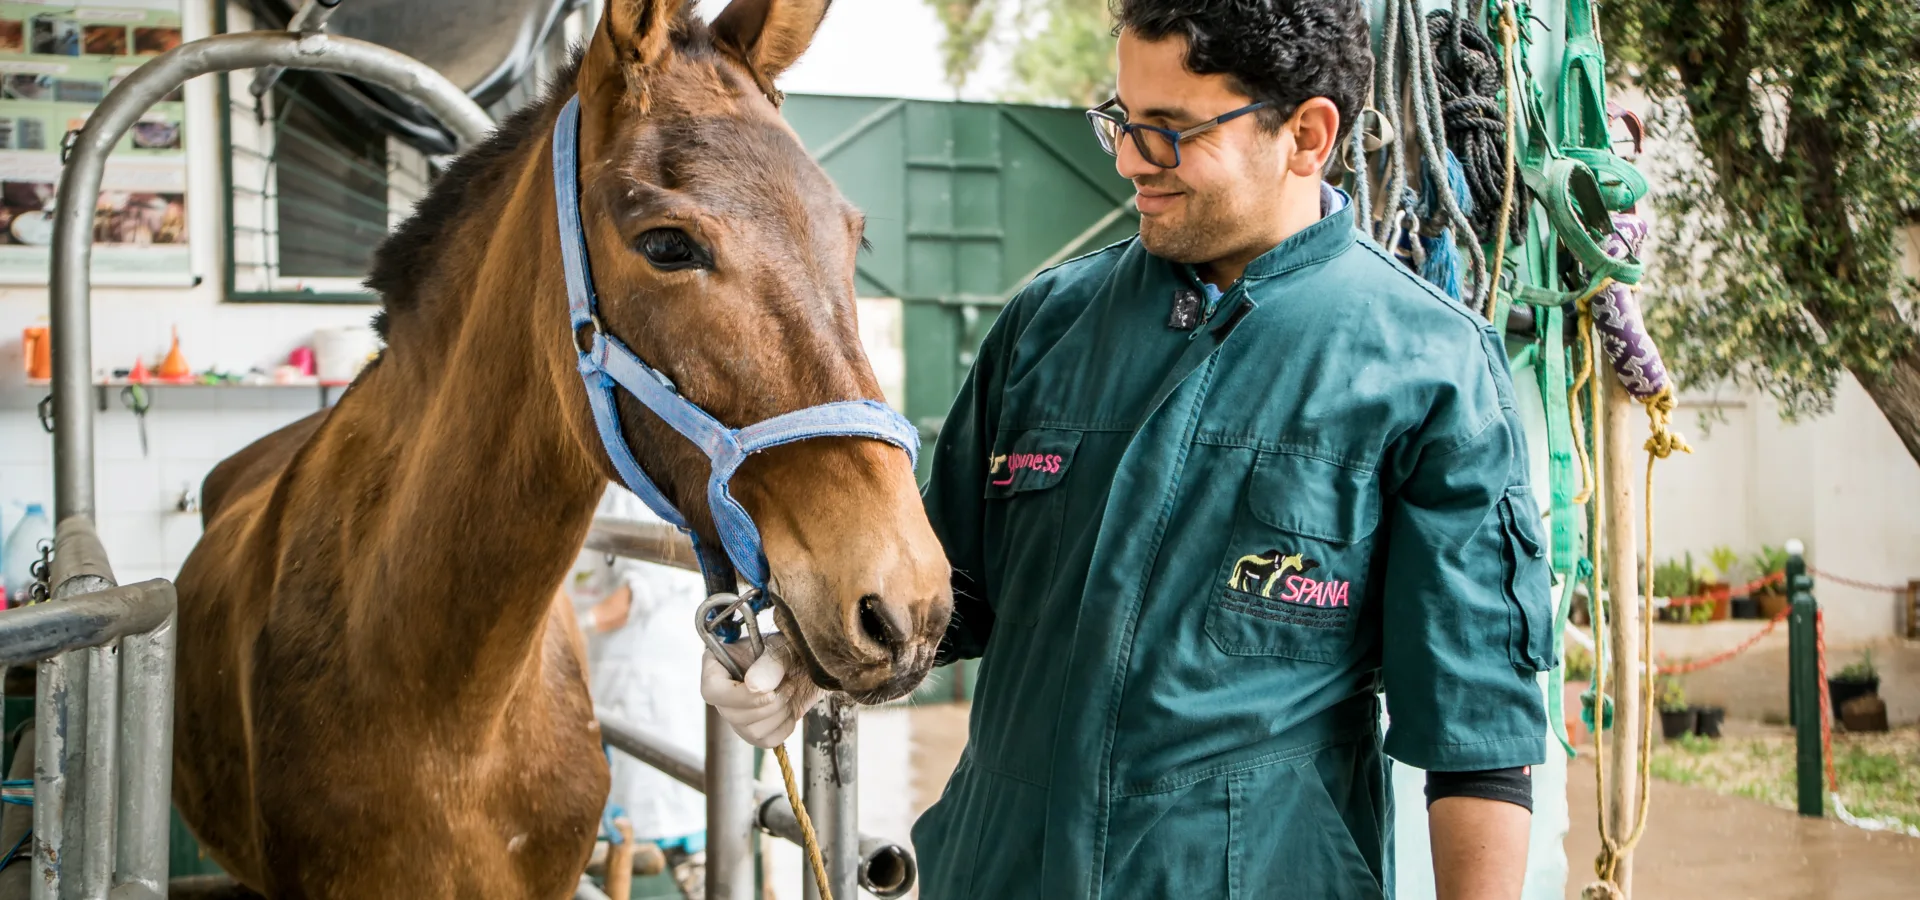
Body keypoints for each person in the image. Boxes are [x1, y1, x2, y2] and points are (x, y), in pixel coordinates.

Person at [703, 1, 1553, 896]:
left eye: (1171, 132)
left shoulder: (1429, 367)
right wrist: (798, 659)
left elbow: (1476, 742)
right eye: (1121, 120)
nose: (1128, 159)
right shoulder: (1046, 326)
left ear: (1306, 134)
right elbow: (943, 601)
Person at [571, 486, 710, 900]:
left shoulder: (642, 491)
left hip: (651, 679)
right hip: (610, 677)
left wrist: (573, 628)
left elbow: (639, 592)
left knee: (673, 826)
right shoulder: (594, 492)